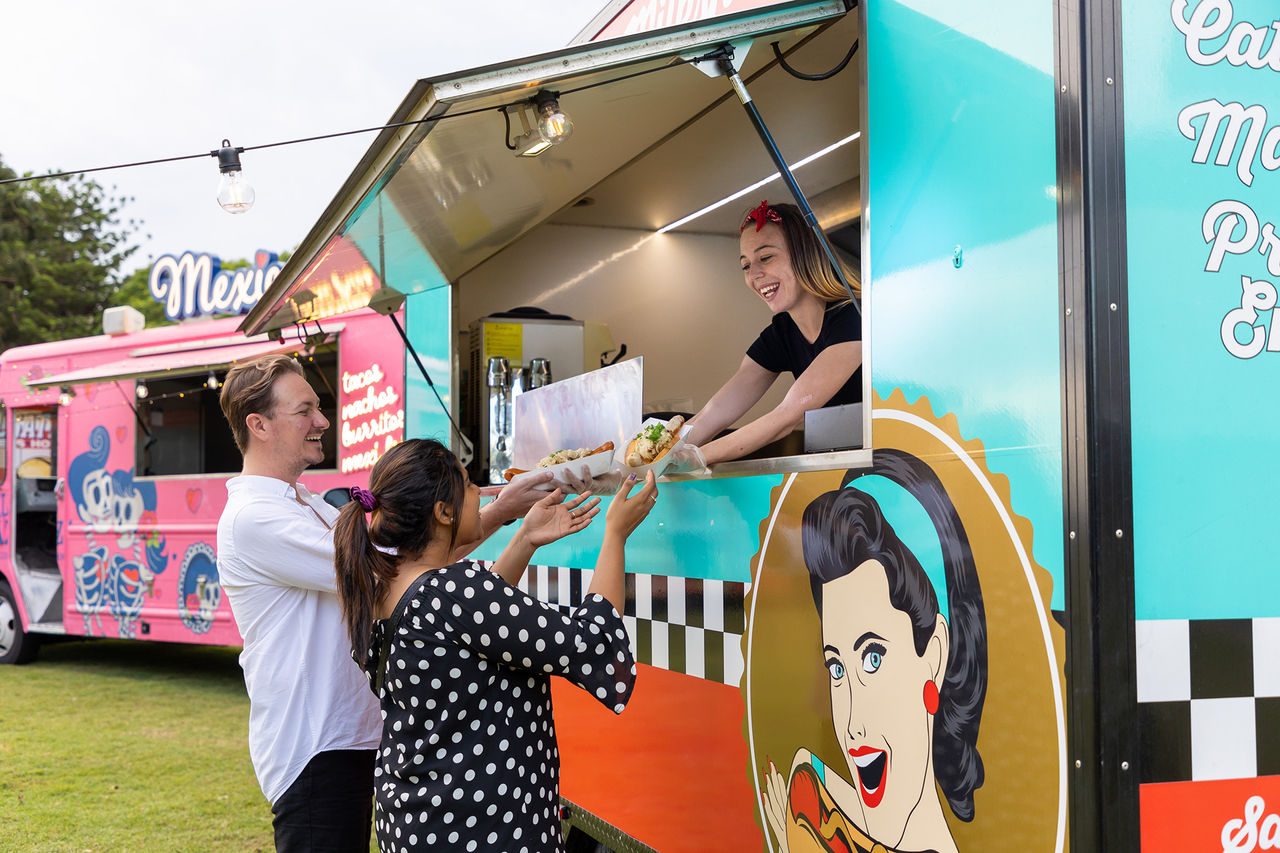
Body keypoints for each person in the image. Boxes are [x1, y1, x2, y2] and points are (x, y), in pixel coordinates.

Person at [216, 353, 555, 852]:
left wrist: (502, 510)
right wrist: (501, 511)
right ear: (258, 424)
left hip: (354, 735)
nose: (321, 421)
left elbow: (416, 555)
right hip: (316, 745)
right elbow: (397, 569)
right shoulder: (254, 518)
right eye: (305, 410)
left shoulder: (302, 503)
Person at [332, 438, 657, 852]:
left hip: (419, 822)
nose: (481, 494)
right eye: (468, 485)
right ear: (443, 512)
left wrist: (524, 538)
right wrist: (616, 534)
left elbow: (468, 634)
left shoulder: (385, 591)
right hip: (484, 828)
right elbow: (592, 645)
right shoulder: (452, 590)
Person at [761, 450, 987, 853]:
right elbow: (803, 766)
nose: (852, 724)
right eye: (836, 668)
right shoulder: (823, 814)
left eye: (872, 658)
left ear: (933, 658)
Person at [680, 200, 862, 466]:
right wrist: (651, 456)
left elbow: (789, 416)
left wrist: (695, 458)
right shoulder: (783, 331)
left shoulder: (853, 316)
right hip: (837, 466)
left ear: (806, 253)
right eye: (745, 265)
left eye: (766, 257)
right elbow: (716, 411)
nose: (754, 274)